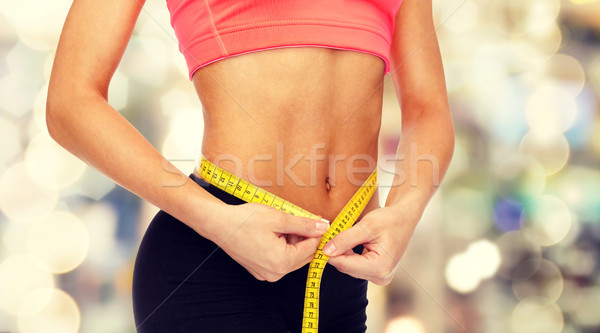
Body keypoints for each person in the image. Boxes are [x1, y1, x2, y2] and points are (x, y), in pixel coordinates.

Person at [47, 0, 454, 332]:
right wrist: (218, 220)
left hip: (342, 282)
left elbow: (427, 109)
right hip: (216, 262)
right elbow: (70, 102)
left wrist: (404, 212)